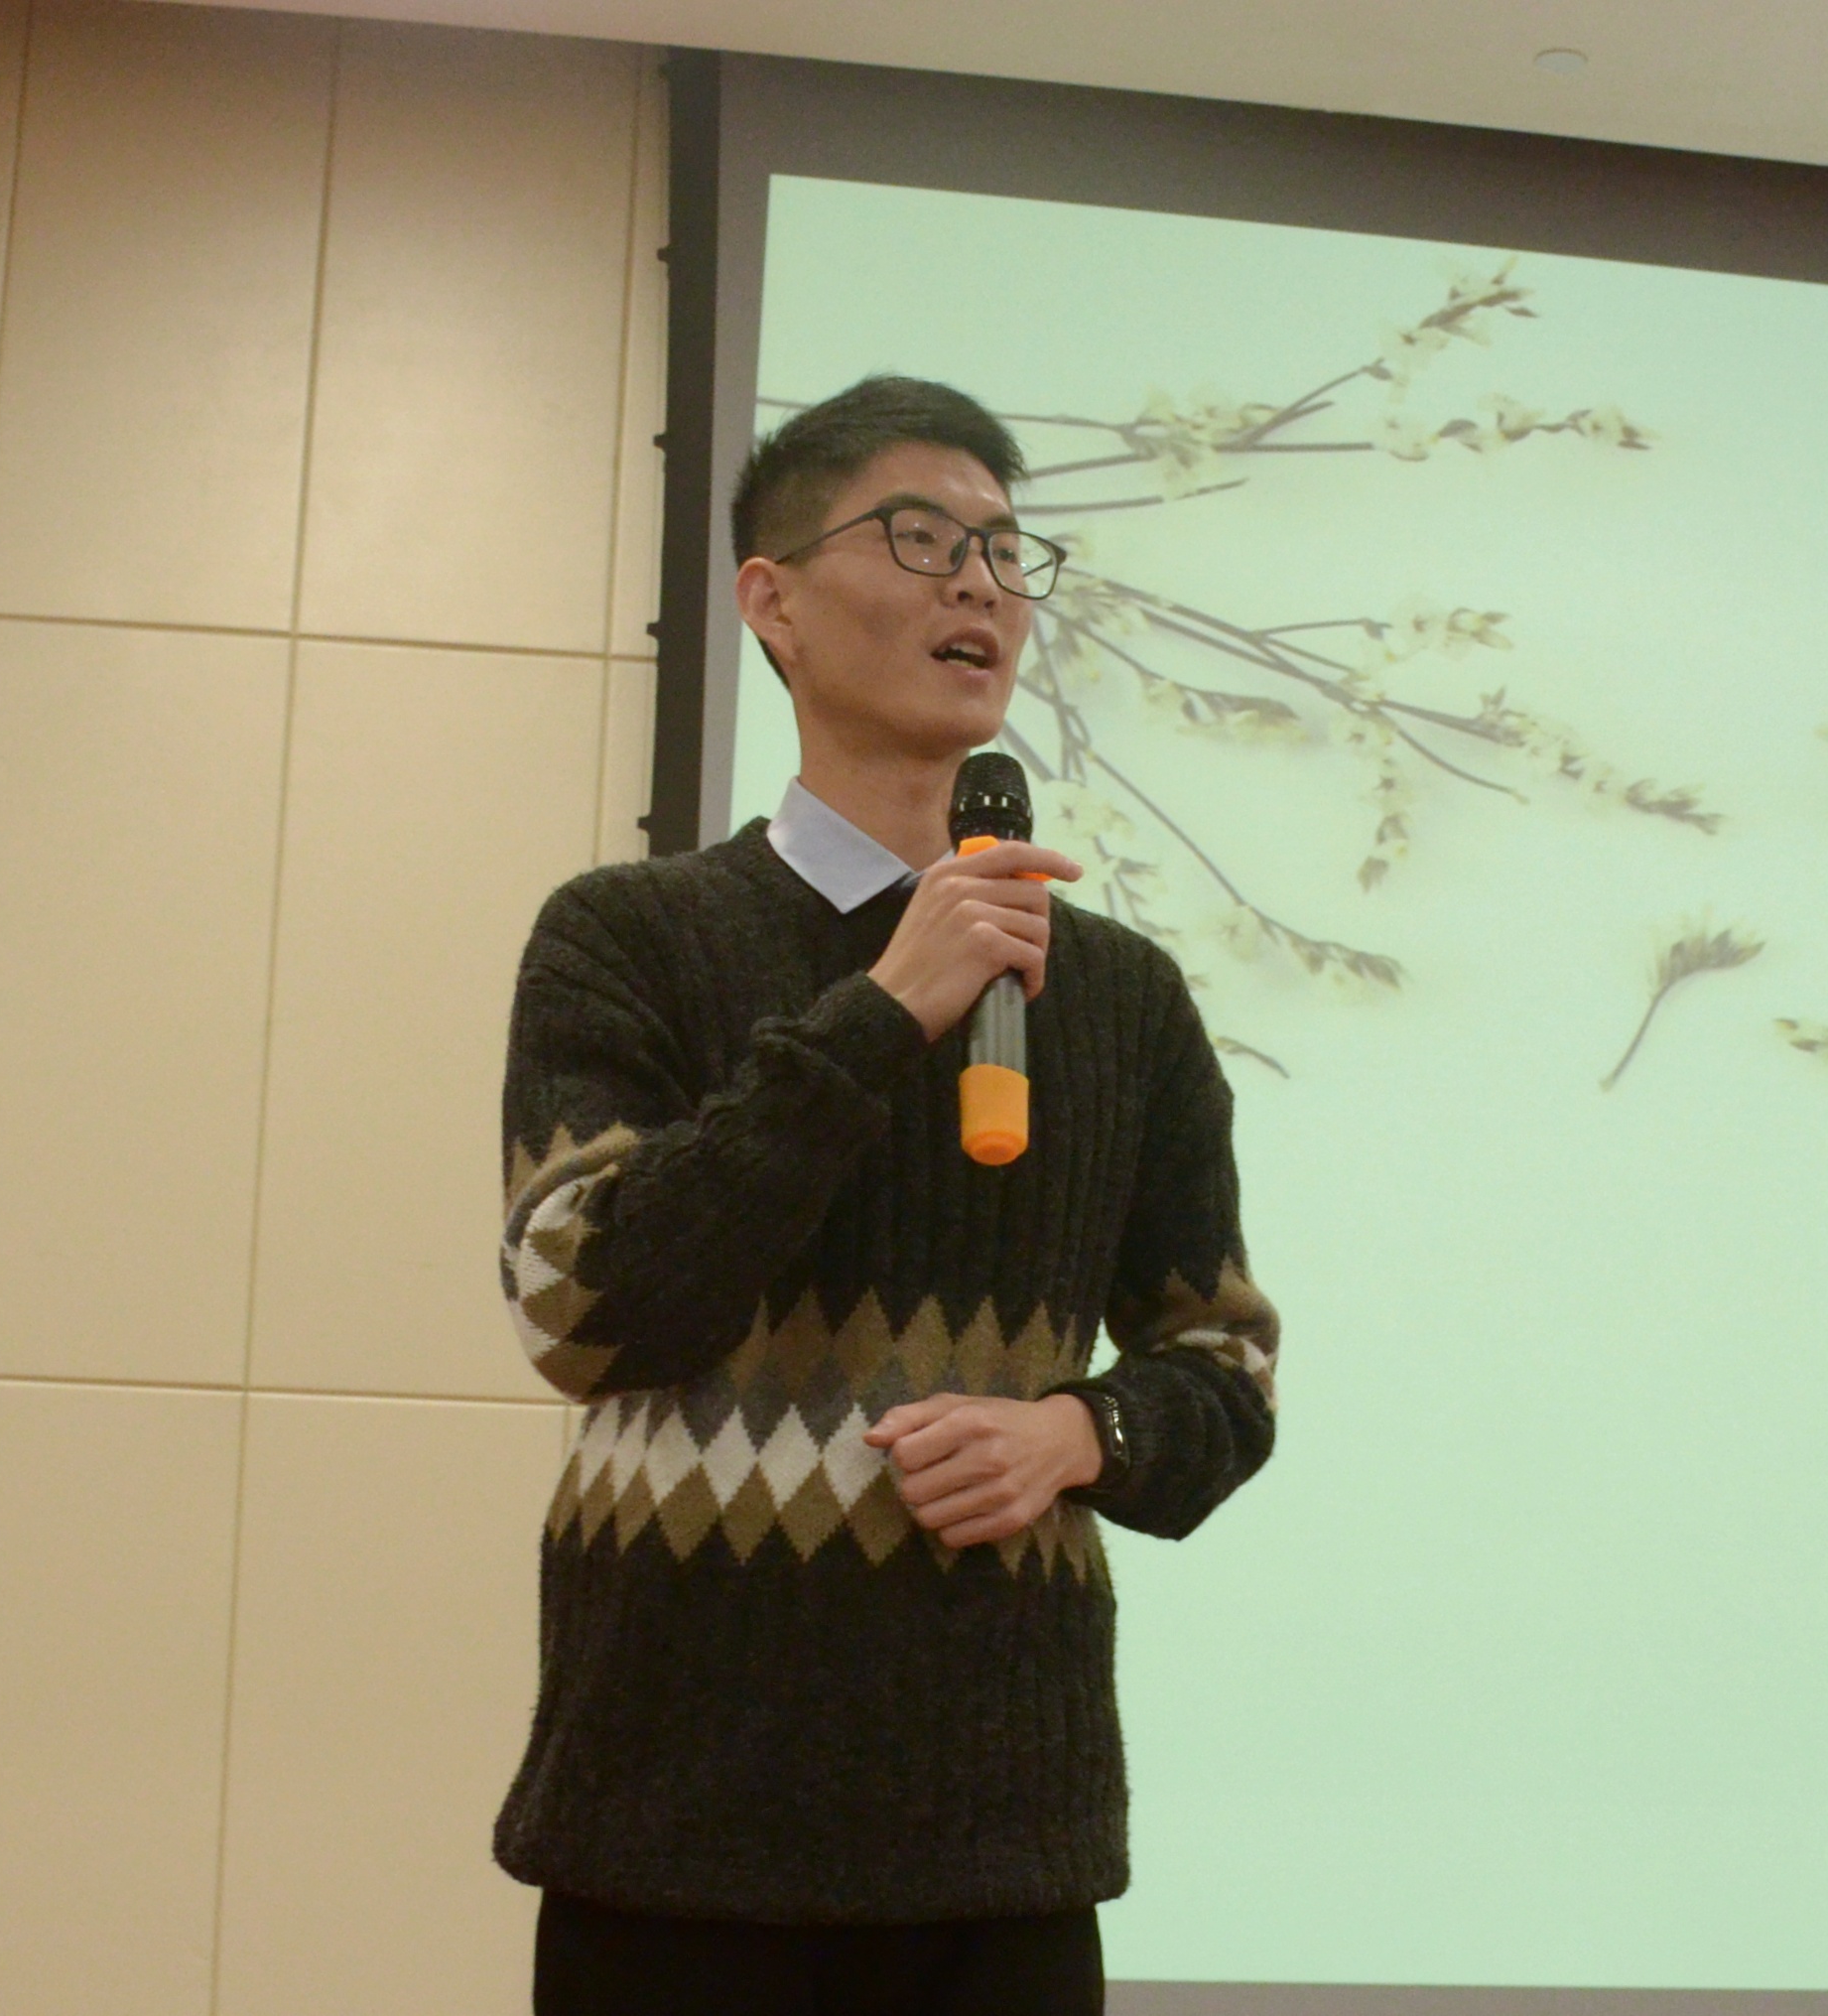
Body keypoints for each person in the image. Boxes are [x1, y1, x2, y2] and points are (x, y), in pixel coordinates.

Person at [493, 375, 1281, 2015]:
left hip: (998, 1848)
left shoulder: (1121, 996)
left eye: (1004, 550)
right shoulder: (625, 935)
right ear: (770, 601)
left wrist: (1080, 1435)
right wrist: (881, 1012)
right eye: (920, 539)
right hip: (673, 1834)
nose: (978, 584)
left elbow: (1224, 1369)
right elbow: (581, 1305)